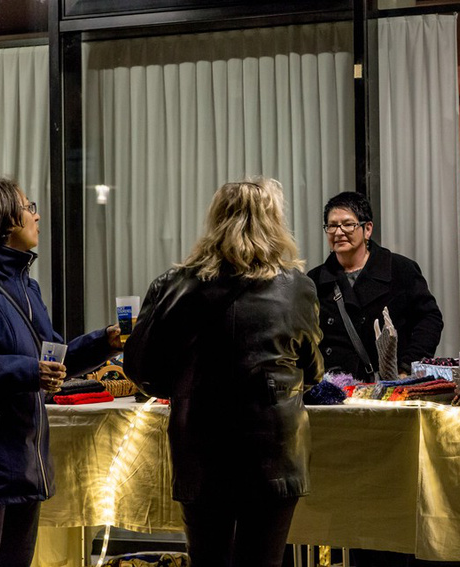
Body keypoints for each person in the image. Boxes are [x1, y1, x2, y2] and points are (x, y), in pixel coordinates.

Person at [124, 179, 323, 567]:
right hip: (274, 450)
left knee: (208, 557)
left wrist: (181, 387)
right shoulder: (297, 287)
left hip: (199, 444)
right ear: (274, 222)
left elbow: (140, 366)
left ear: (215, 220)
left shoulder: (174, 285)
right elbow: (312, 370)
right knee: (263, 559)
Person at [0, 177, 122, 567]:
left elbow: (53, 362)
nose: (37, 215)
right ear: (3, 220)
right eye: (28, 207)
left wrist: (105, 343)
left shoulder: (26, 287)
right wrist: (25, 371)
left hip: (26, 467)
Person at [308, 191, 443, 380]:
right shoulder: (315, 280)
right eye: (331, 226)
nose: (338, 232)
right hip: (336, 388)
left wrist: (407, 367)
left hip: (387, 386)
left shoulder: (399, 269)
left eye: (348, 224)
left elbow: (430, 319)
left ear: (367, 229)